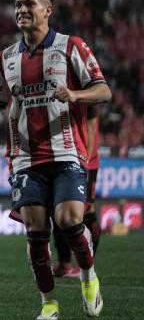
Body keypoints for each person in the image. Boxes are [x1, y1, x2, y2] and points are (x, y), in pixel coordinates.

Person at [0, 0, 110, 320]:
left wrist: (76, 96)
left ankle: (88, 275)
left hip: (66, 153)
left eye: (29, 4)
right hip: (24, 158)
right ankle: (49, 302)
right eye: (18, 5)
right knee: (35, 231)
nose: (21, 10)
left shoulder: (71, 47)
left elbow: (103, 90)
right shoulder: (6, 58)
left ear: (47, 10)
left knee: (69, 220)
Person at [52, 104, 102, 277]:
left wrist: (84, 160)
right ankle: (64, 263)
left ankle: (87, 264)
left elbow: (91, 124)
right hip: (63, 156)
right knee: (57, 210)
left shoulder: (83, 86)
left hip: (83, 159)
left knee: (87, 208)